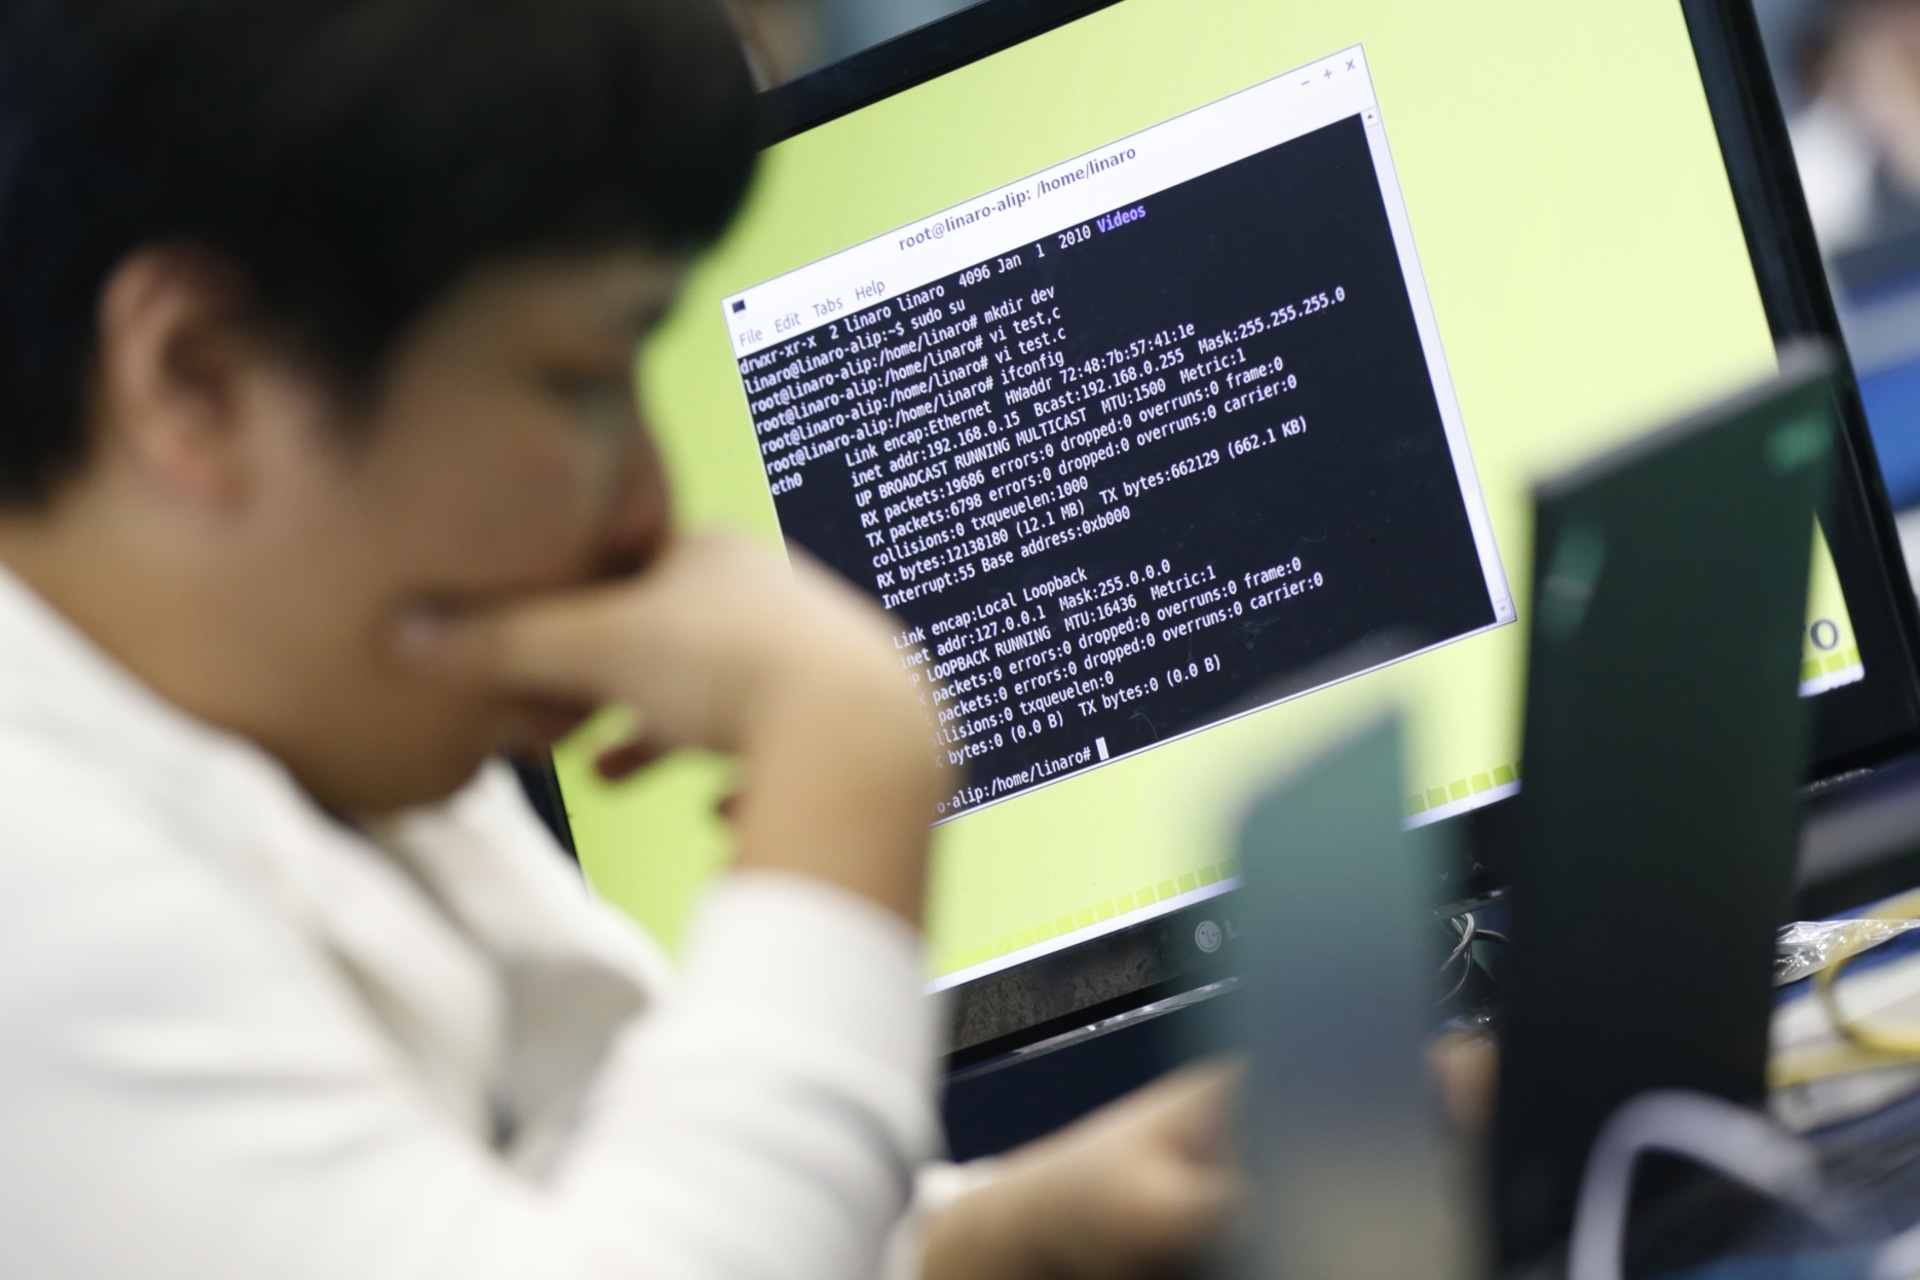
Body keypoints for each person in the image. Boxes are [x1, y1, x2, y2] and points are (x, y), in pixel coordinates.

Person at [0, 0, 1239, 1276]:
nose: (649, 508)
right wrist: (846, 750)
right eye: (580, 382)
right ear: (200, 376)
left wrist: (1013, 1234)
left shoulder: (311, 728)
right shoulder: (35, 893)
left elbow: (601, 1216)